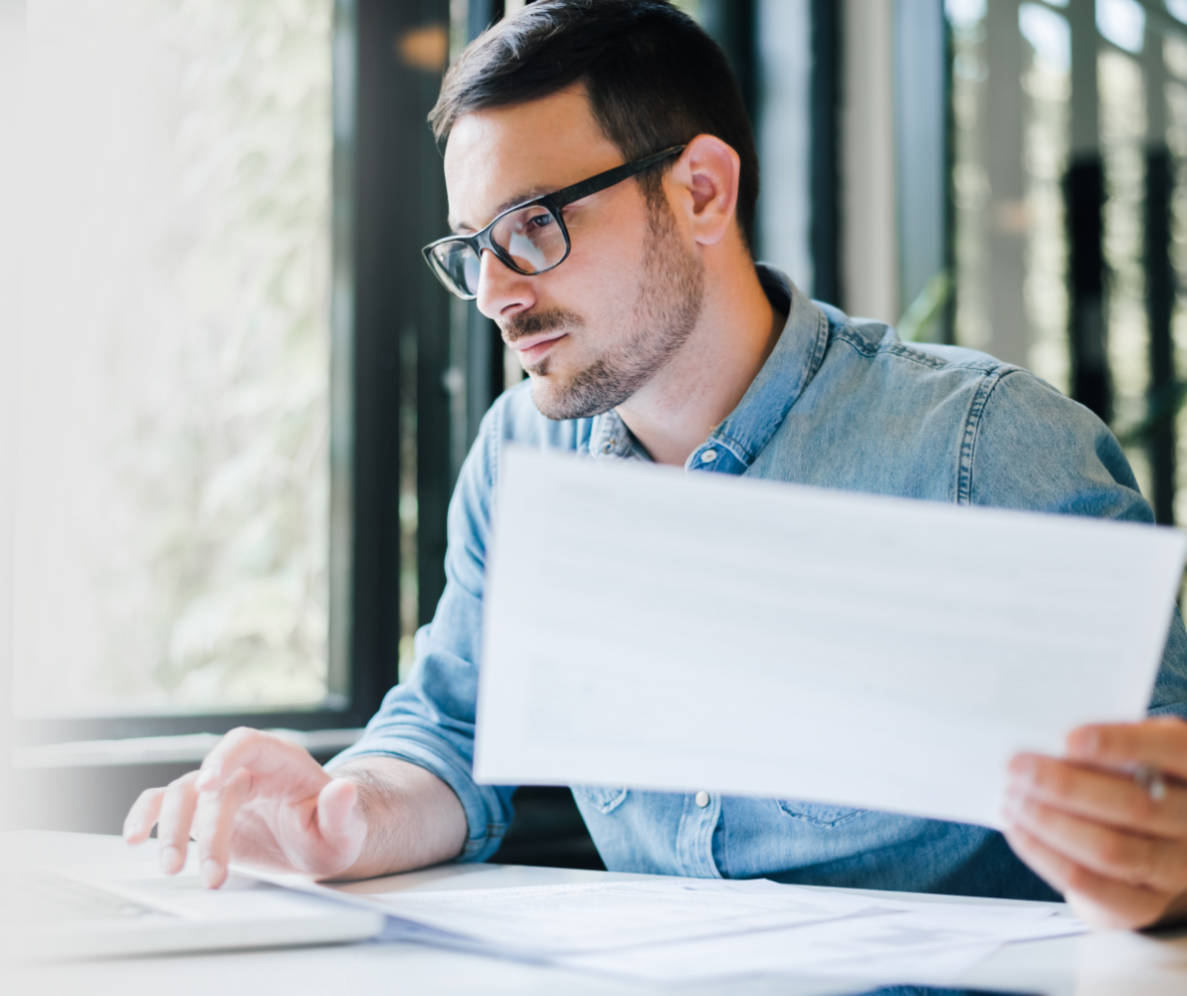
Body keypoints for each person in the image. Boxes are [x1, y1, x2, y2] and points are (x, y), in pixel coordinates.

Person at [124, 0, 1187, 930]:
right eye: (470, 246)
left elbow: (1159, 801)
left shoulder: (981, 446)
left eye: (532, 227)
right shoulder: (520, 454)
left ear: (701, 193)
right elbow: (449, 728)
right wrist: (337, 814)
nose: (495, 293)